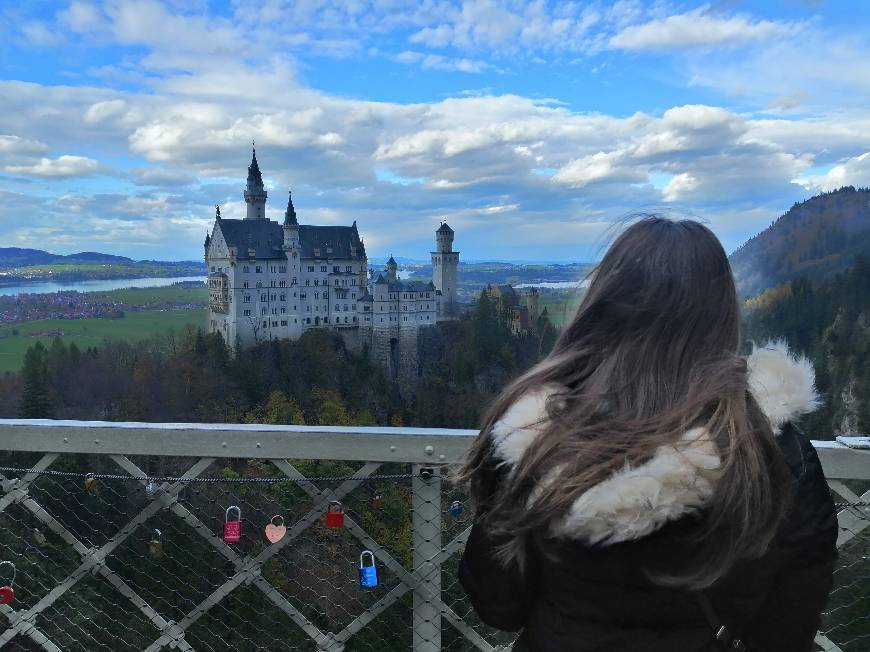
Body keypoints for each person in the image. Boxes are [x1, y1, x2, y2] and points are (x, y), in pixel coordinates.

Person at [457, 217, 838, 652]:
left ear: (602, 303)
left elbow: (498, 605)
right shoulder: (771, 449)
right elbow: (786, 629)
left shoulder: (531, 439)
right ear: (722, 312)